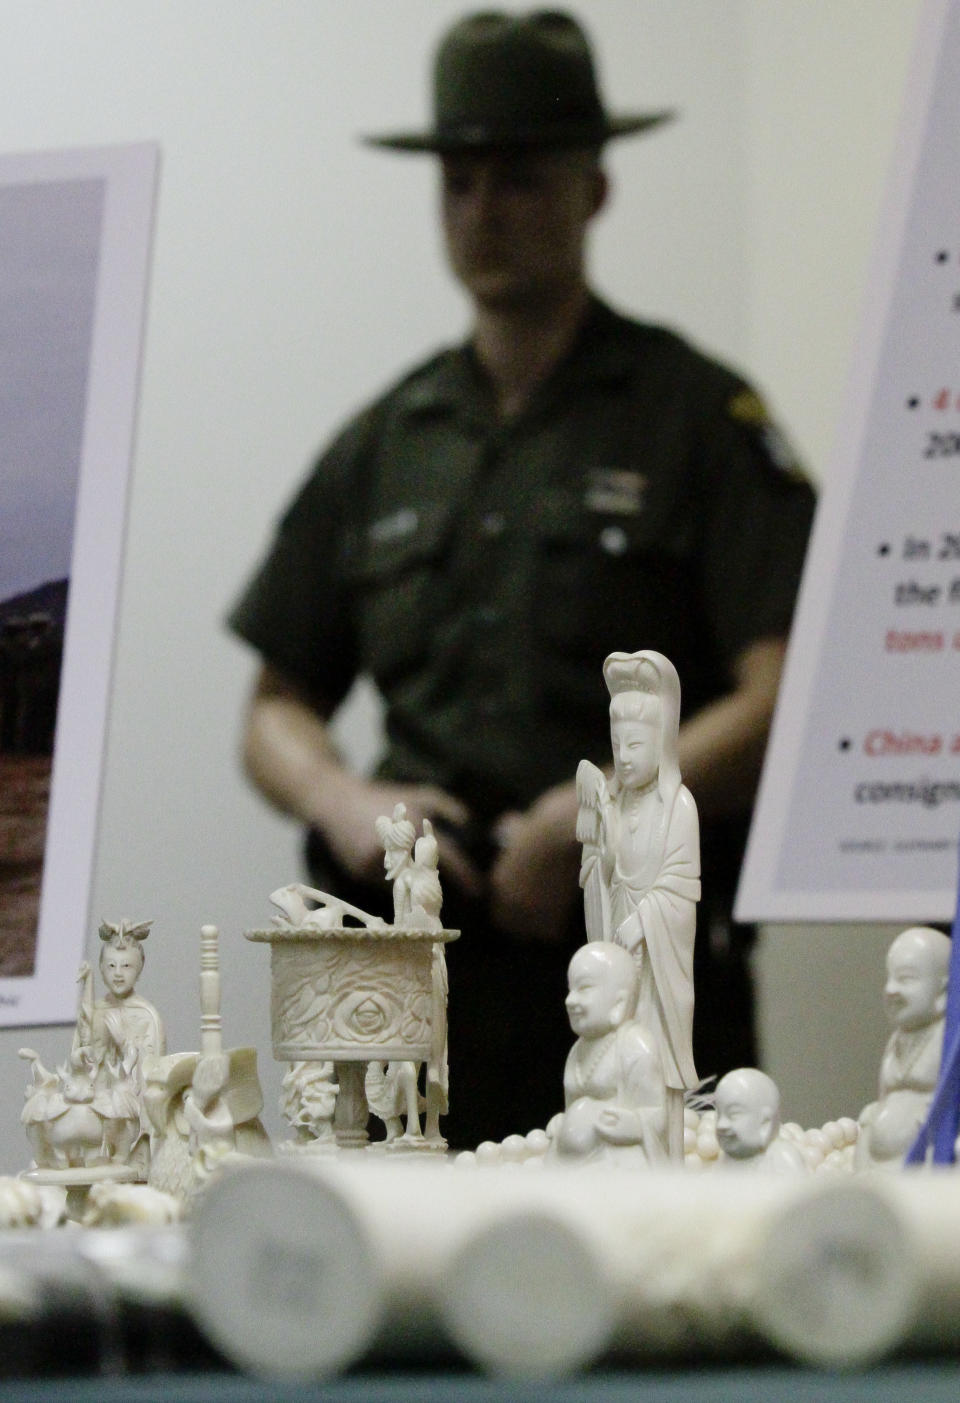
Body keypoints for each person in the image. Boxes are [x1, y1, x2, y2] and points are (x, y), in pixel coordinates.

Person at [229, 11, 815, 1148]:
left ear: (595, 188)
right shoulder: (389, 439)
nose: (485, 211)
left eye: (522, 178)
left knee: (663, 1292)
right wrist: (350, 806)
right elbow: (273, 708)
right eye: (460, 181)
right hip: (416, 995)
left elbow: (785, 690)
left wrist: (600, 814)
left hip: (637, 978)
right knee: (399, 1293)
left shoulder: (693, 416)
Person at [577, 650, 699, 1157]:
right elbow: (604, 875)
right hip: (618, 933)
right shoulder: (617, 800)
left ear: (662, 741)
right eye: (616, 744)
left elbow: (680, 884)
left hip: (656, 952)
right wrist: (597, 837)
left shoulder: (677, 805)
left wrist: (645, 923)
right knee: (613, 1043)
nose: (624, 756)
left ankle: (660, 1150)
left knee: (654, 1051)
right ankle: (613, 1146)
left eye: (636, 744)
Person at [552, 940, 666, 1165]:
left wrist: (635, 1125)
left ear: (619, 1001)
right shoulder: (577, 1051)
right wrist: (563, 1124)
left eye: (583, 988)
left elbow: (659, 1112)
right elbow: (573, 1106)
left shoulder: (634, 1045)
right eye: (570, 990)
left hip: (615, 1161)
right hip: (570, 1163)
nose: (570, 1000)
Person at [855, 926, 950, 1171]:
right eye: (889, 978)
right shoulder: (896, 1041)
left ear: (944, 989)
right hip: (878, 1166)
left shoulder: (950, 1041)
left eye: (905, 979)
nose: (891, 990)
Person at [714, 1067, 807, 1173]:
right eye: (718, 1115)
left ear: (765, 1122)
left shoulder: (780, 1158)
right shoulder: (723, 1163)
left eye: (734, 1114)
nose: (721, 1125)